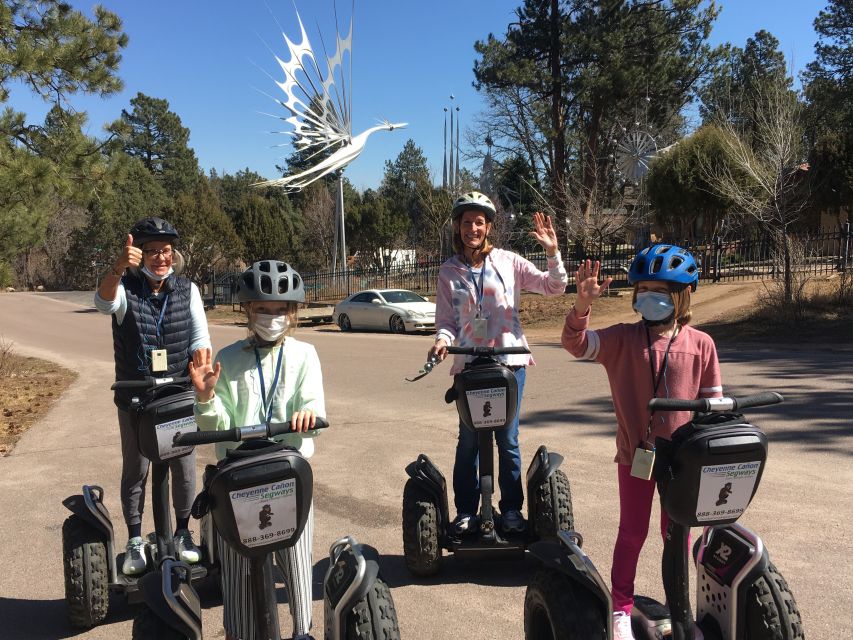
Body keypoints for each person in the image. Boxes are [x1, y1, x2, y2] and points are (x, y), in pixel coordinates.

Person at [560, 244, 722, 640]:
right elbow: (577, 344)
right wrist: (582, 306)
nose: (652, 296)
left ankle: (680, 610)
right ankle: (621, 607)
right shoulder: (622, 340)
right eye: (644, 288)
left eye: (662, 289)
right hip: (637, 456)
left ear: (683, 293)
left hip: (685, 463)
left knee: (678, 535)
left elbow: (714, 408)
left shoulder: (701, 344)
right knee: (632, 534)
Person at [189, 260, 323, 640]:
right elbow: (215, 426)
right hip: (238, 477)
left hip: (287, 471)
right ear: (247, 309)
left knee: (297, 559)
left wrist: (308, 413)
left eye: (280, 310)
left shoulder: (304, 355)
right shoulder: (228, 359)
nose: (272, 317)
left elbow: (313, 402)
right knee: (236, 564)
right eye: (263, 309)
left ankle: (302, 630)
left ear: (292, 313)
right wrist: (205, 396)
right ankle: (240, 632)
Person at [428, 191, 568, 535]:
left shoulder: (508, 261)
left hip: (509, 363)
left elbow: (554, 287)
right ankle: (466, 511)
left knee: (507, 438)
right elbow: (446, 320)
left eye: (479, 222)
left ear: (489, 226)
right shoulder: (449, 270)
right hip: (470, 365)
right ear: (457, 227)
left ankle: (510, 511)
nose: (472, 228)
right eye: (466, 222)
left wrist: (552, 252)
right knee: (470, 441)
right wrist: (442, 341)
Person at [94, 216, 210, 574]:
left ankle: (182, 533)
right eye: (152, 251)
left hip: (176, 393)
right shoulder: (125, 288)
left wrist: (202, 366)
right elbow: (102, 303)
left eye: (166, 251)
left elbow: (199, 337)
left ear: (173, 255)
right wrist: (116, 269)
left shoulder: (187, 289)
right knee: (136, 466)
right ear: (139, 254)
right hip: (136, 396)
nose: (161, 258)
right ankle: (133, 538)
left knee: (184, 464)